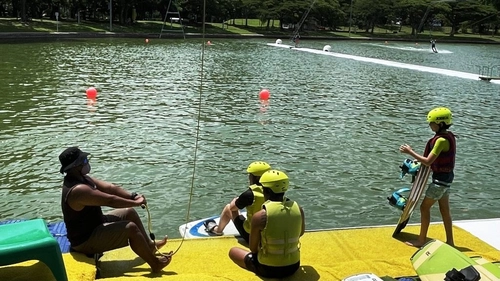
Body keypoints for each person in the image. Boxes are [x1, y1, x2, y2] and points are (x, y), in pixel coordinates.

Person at [59, 146, 171, 273]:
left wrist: (132, 196)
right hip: (85, 240)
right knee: (130, 228)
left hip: (96, 223)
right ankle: (155, 264)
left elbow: (110, 188)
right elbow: (110, 200)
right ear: (75, 166)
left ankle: (150, 246)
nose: (87, 162)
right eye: (84, 161)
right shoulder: (78, 190)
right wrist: (136, 203)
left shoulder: (84, 178)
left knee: (129, 212)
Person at [228, 170, 305, 278]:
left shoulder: (260, 216)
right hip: (293, 266)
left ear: (265, 190)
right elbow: (301, 233)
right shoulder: (299, 209)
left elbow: (253, 249)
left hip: (267, 269)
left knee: (233, 252)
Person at [399, 107, 456, 247]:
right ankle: (450, 241)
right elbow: (431, 159)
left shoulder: (441, 141)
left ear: (440, 123)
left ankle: (421, 240)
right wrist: (418, 160)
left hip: (439, 182)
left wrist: (410, 152)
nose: (430, 126)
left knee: (424, 208)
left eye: (431, 123)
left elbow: (428, 161)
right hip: (447, 180)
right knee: (444, 210)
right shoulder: (450, 136)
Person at [203, 161, 271, 243]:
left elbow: (232, 207)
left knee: (229, 207)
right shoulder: (275, 192)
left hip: (252, 237)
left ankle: (218, 231)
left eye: (250, 175)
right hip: (270, 235)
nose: (249, 177)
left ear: (255, 177)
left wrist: (236, 200)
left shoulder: (250, 194)